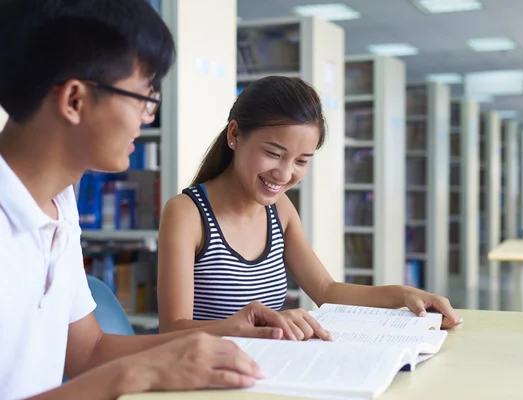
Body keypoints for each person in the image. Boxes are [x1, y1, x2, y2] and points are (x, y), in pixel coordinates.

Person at [0, 1, 295, 399]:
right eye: (143, 96)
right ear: (74, 100)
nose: (148, 116)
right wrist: (131, 376)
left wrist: (223, 332)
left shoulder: (59, 204)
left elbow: (89, 350)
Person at [157, 75, 462, 342]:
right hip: (205, 374)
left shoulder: (280, 210)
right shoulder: (186, 214)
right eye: (274, 153)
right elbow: (172, 329)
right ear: (235, 135)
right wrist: (241, 327)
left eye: (302, 161)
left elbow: (326, 290)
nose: (285, 174)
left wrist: (403, 294)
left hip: (266, 369)